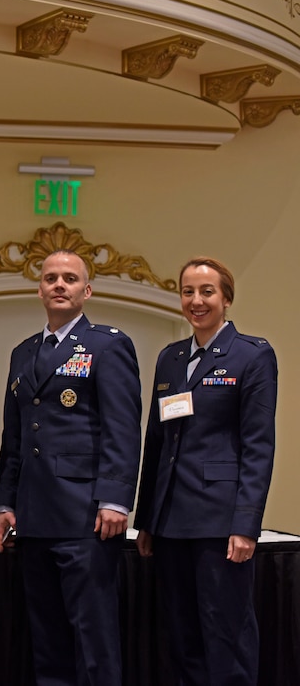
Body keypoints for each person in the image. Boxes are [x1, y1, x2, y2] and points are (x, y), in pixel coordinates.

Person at [0, 249, 142, 686]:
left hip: (85, 518)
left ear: (86, 290)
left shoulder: (108, 344)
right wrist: (4, 500)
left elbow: (122, 428)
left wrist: (115, 498)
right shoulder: (24, 352)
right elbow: (15, 436)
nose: (60, 285)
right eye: (51, 278)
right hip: (35, 516)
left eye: (70, 279)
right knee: (48, 639)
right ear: (39, 289)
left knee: (93, 640)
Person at [134, 257, 276, 686]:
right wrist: (146, 521)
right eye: (188, 292)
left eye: (207, 292)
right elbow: (156, 443)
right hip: (171, 522)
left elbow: (258, 447)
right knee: (181, 637)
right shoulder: (170, 359)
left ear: (226, 299)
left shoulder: (252, 355)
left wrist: (246, 525)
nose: (196, 301)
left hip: (220, 521)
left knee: (226, 635)